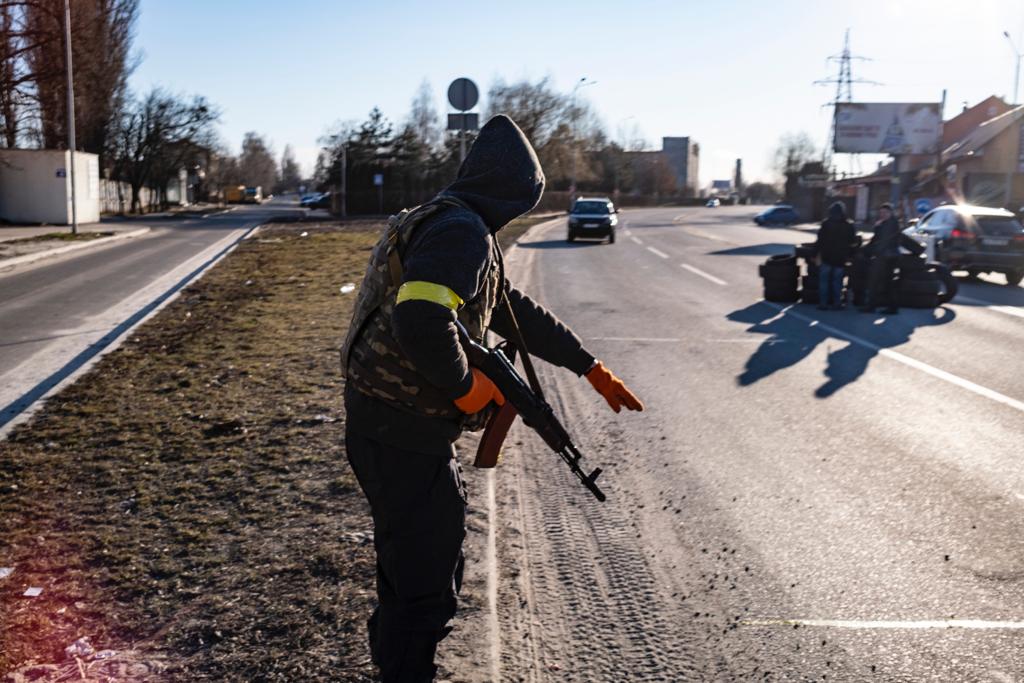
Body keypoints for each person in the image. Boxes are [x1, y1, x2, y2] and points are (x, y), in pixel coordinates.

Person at [339, 115, 645, 683]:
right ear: (507, 193)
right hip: (401, 431)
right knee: (426, 587)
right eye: (523, 203)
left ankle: (395, 664)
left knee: (412, 568)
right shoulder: (462, 233)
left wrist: (588, 367)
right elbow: (420, 317)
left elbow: (512, 310)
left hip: (388, 424)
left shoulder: (445, 221)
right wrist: (466, 387)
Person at [859, 203, 908, 314]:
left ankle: (873, 306)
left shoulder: (890, 224)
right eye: (881, 213)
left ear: (891, 213)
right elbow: (876, 240)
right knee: (886, 283)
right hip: (887, 257)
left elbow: (881, 242)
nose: (882, 215)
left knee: (875, 283)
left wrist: (870, 251)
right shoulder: (889, 223)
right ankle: (890, 307)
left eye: (885, 212)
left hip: (884, 257)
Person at [814, 201, 858, 310]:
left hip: (826, 257)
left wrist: (814, 254)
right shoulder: (849, 225)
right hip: (840, 258)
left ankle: (823, 304)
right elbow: (852, 242)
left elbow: (819, 241)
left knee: (824, 282)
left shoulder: (826, 223)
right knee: (837, 282)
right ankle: (837, 303)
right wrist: (851, 254)